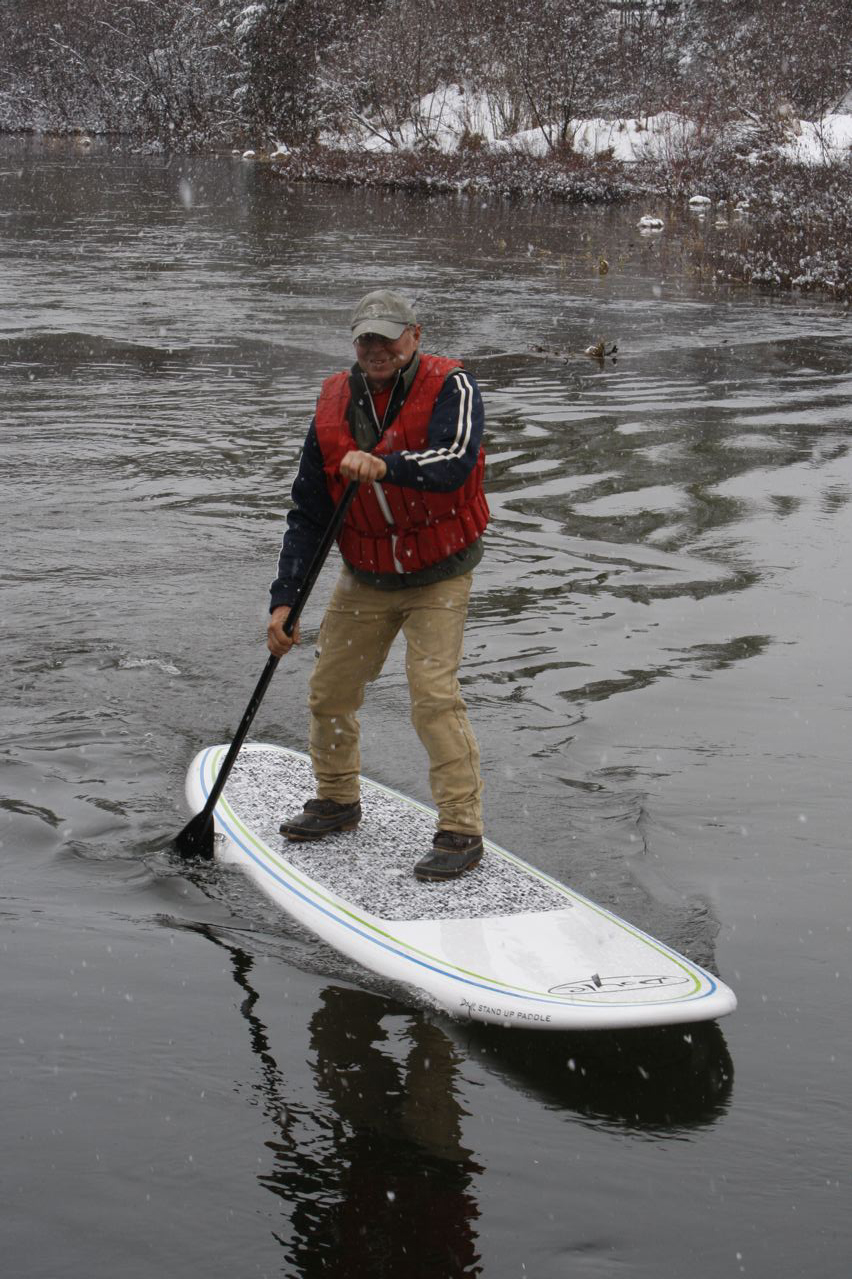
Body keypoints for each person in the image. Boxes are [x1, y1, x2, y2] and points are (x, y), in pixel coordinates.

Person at [266, 289, 488, 881]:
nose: (376, 348)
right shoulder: (334, 401)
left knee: (432, 695)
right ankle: (337, 800)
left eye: (388, 337)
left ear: (415, 335)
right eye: (366, 338)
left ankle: (461, 831)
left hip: (440, 573)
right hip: (366, 575)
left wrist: (388, 463)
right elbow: (310, 511)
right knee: (330, 689)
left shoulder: (452, 386)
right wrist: (285, 600)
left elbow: (456, 460)